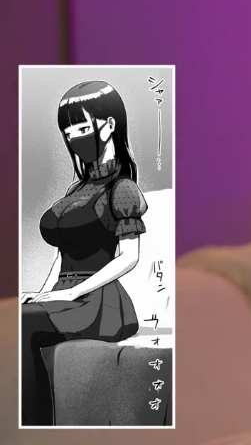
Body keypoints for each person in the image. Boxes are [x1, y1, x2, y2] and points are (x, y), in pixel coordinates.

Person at [20, 81, 147, 426]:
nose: (73, 137)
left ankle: (35, 428)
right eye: (68, 131)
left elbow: (130, 256)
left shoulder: (122, 189)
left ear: (108, 125)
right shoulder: (75, 189)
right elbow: (61, 255)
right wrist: (44, 292)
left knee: (22, 324)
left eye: (80, 127)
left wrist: (74, 291)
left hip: (98, 303)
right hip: (66, 297)